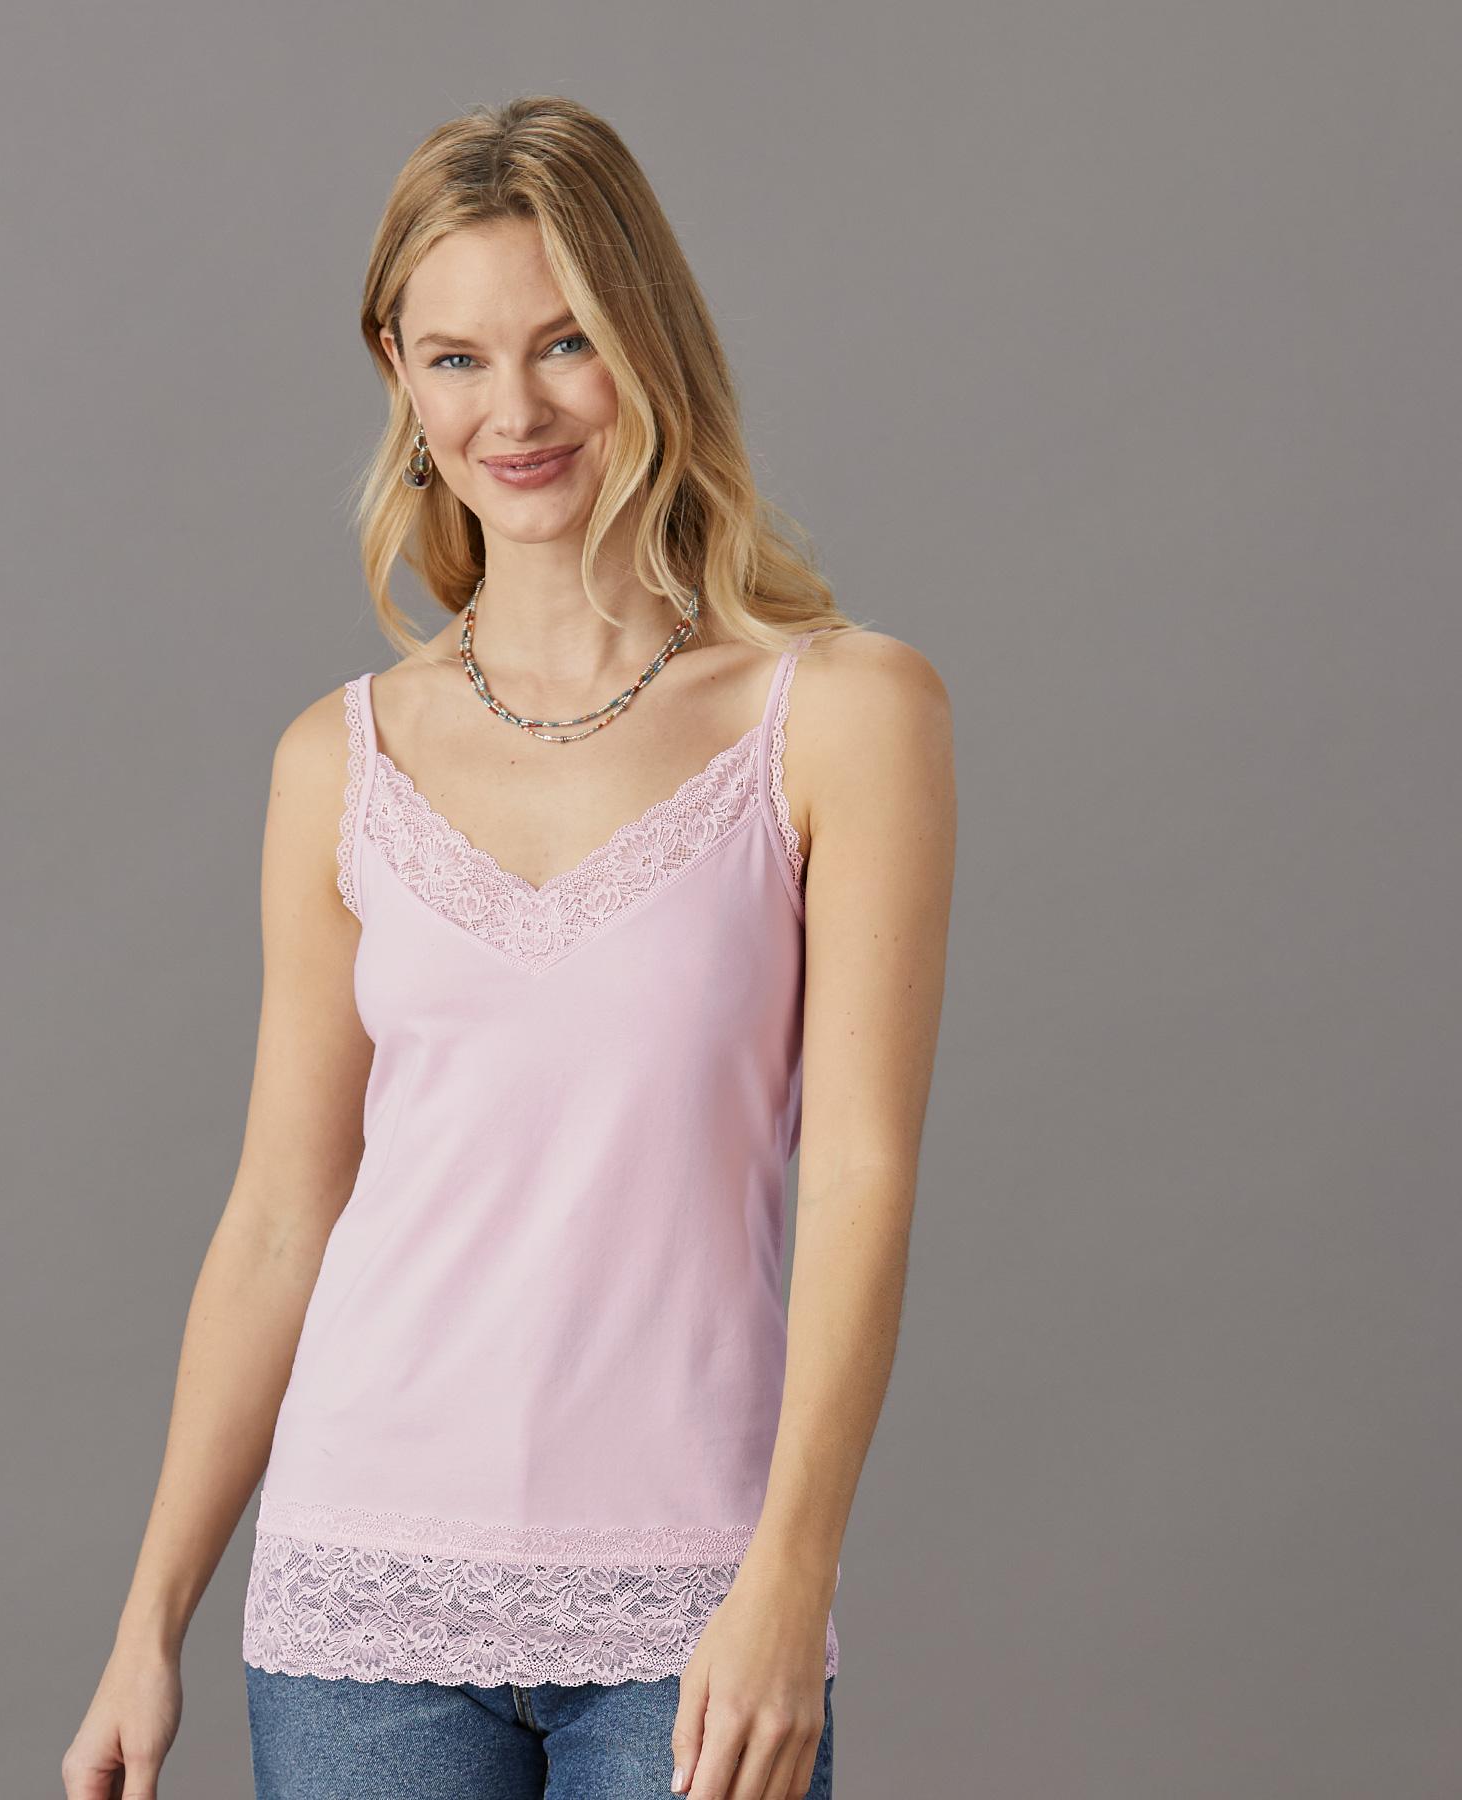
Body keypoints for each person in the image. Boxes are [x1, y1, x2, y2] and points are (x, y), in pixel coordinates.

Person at [63, 94, 956, 1800]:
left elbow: (861, 1177)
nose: (515, 411)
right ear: (398, 375)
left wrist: (790, 1578)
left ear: (652, 345)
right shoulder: (339, 759)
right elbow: (279, 1216)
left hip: (693, 1592)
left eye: (567, 342)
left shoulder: (841, 714)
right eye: (456, 357)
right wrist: (148, 1618)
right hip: (359, 1599)